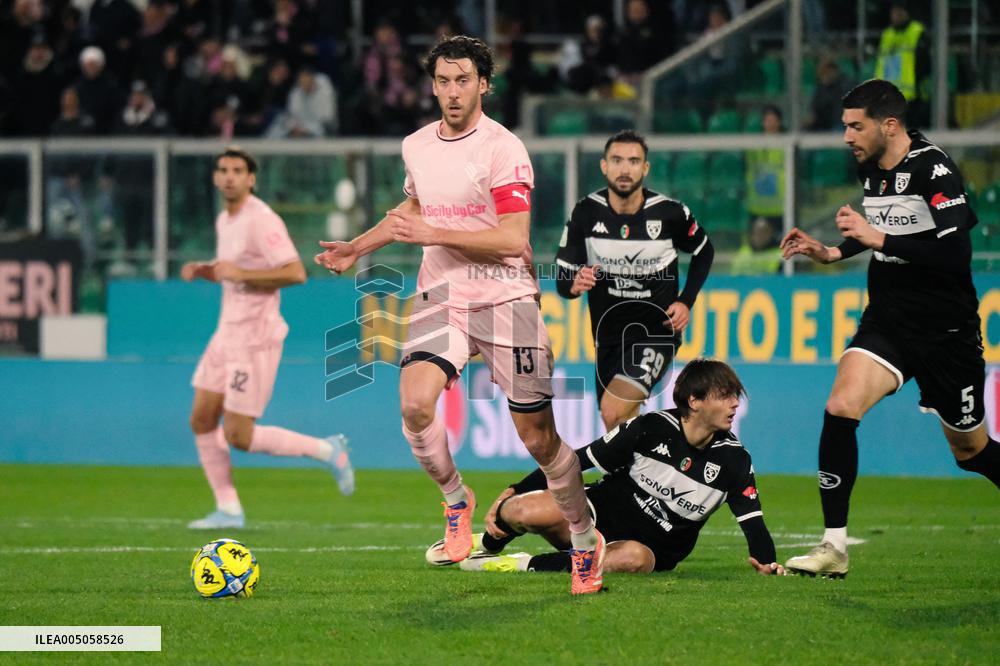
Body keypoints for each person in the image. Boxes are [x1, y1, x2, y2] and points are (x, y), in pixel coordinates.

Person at [315, 36, 607, 595]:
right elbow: (415, 207)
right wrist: (358, 246)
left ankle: (585, 538)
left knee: (540, 440)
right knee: (415, 403)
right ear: (432, 84)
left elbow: (512, 238)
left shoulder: (503, 149)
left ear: (484, 84)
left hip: (505, 297)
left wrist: (433, 234)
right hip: (441, 294)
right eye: (444, 81)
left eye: (464, 80)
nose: (453, 92)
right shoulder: (417, 145)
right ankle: (456, 503)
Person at [780, 79, 1000, 578]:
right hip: (888, 321)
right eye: (844, 127)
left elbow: (952, 252)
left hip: (947, 332)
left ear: (890, 125)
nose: (846, 137)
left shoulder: (934, 168)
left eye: (856, 126)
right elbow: (889, 234)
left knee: (971, 452)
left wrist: (874, 234)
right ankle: (834, 547)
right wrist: (834, 251)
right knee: (840, 406)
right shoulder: (871, 168)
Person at [447, 358, 785, 578]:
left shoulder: (735, 460)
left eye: (735, 396)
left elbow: (753, 523)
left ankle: (516, 564)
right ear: (694, 401)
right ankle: (486, 547)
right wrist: (516, 489)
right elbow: (576, 461)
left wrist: (768, 562)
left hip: (652, 549)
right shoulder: (650, 428)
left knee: (631, 559)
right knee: (521, 510)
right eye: (726, 396)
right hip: (596, 516)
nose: (735, 404)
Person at [183, 147, 355, 530]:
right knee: (201, 418)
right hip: (225, 334)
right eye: (223, 169)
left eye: (238, 170)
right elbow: (237, 271)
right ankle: (228, 508)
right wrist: (212, 272)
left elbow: (295, 273)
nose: (229, 176)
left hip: (255, 339)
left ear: (251, 179)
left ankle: (328, 450)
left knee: (238, 435)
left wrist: (239, 274)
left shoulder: (262, 220)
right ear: (215, 177)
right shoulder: (225, 220)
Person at [555, 130, 714, 431]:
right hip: (608, 335)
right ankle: (643, 475)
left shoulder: (670, 213)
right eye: (617, 160)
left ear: (646, 168)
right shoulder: (586, 213)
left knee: (613, 409)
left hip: (656, 331)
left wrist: (686, 300)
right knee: (616, 423)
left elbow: (704, 251)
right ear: (604, 166)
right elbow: (563, 274)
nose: (625, 169)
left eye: (633, 161)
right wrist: (573, 284)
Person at [874, 1, 930, 128]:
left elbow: (925, 64)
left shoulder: (917, 32)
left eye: (900, 11)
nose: (896, 15)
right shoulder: (887, 35)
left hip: (912, 98)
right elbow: (881, 65)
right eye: (894, 11)